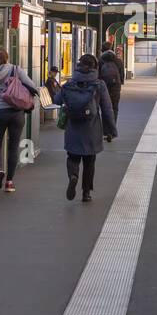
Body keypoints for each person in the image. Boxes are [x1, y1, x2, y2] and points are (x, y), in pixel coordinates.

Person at [54, 53, 117, 203]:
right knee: (90, 161)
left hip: (73, 127)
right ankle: (86, 193)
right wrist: (112, 129)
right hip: (92, 128)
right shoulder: (99, 85)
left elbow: (57, 100)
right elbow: (107, 108)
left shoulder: (69, 83)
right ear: (95, 67)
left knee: (73, 157)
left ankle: (73, 176)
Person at [0, 48, 37, 193]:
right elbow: (32, 86)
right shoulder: (16, 69)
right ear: (7, 57)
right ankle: (9, 182)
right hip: (16, 113)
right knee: (13, 147)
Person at [98, 49, 123, 121]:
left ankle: (105, 125)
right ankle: (113, 124)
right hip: (115, 87)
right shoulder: (119, 62)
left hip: (104, 86)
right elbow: (121, 76)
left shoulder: (101, 61)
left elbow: (98, 75)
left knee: (104, 106)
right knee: (114, 107)